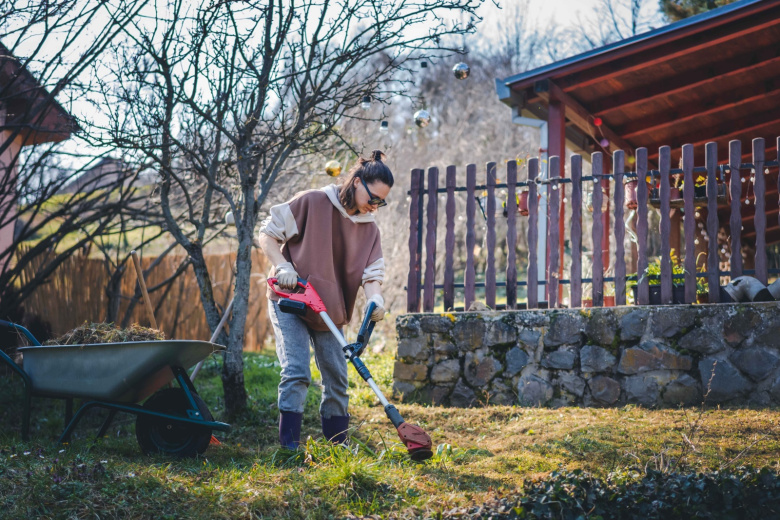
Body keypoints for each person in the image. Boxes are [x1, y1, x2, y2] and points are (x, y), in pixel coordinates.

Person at [257, 150, 393, 450]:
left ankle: (337, 446)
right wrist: (283, 266)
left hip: (329, 310)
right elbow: (267, 235)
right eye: (373, 197)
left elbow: (372, 277)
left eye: (382, 201)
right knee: (297, 371)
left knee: (337, 377)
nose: (376, 205)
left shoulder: (369, 229)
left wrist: (376, 302)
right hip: (290, 299)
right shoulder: (313, 201)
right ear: (356, 182)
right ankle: (289, 448)